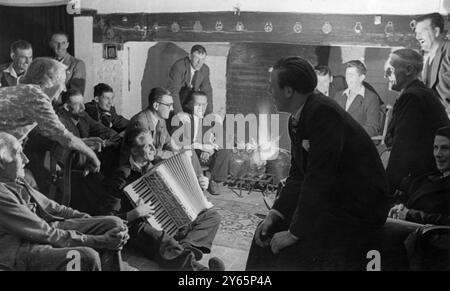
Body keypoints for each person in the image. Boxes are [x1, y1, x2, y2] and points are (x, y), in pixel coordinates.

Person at [246, 56, 389, 271]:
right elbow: (298, 174)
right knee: (265, 229)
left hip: (360, 206)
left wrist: (294, 234)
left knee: (289, 244)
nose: (269, 91)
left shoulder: (323, 113)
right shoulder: (300, 115)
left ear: (288, 91)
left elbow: (319, 177)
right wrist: (276, 212)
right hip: (337, 195)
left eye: (272, 86)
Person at [0, 132, 129, 271]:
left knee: (113, 223)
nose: (26, 159)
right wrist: (100, 241)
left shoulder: (15, 180)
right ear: (1, 164)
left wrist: (91, 220)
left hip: (44, 230)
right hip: (21, 249)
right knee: (86, 256)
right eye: (19, 154)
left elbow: (54, 208)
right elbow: (45, 233)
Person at [100, 127, 224, 271]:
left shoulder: (158, 165)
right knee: (163, 239)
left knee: (212, 216)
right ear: (134, 151)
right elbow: (108, 218)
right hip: (137, 225)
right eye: (147, 146)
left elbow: (183, 188)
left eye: (153, 144)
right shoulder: (120, 176)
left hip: (168, 219)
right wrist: (135, 213)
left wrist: (200, 182)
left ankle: (181, 250)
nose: (154, 149)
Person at [0, 57, 101, 173]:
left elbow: (54, 134)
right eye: (62, 82)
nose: (63, 89)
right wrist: (92, 155)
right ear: (49, 80)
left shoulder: (21, 90)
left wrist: (81, 142)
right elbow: (64, 137)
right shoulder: (36, 96)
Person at [384, 48, 449, 195]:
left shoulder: (412, 97)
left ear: (409, 69)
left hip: (424, 182)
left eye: (390, 70)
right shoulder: (421, 93)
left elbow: (402, 149)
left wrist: (385, 190)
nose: (385, 75)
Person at [388, 125, 450, 226]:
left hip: (428, 236)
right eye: (436, 147)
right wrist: (399, 207)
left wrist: (410, 215)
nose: (438, 154)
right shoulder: (429, 177)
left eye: (445, 148)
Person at [173, 91, 231, 195]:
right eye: (197, 104)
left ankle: (214, 180)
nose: (201, 107)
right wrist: (205, 148)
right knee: (187, 149)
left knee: (226, 147)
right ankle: (194, 181)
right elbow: (183, 142)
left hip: (206, 152)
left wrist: (211, 150)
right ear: (190, 105)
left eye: (204, 104)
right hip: (191, 152)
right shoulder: (183, 119)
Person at [125, 87, 179, 163]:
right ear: (156, 106)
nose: (172, 109)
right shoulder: (140, 122)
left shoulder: (161, 119)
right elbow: (148, 152)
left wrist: (175, 151)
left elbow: (167, 142)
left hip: (152, 162)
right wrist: (171, 154)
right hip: (136, 167)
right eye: (169, 105)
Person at [333, 60, 382, 137]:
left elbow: (372, 128)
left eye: (352, 75)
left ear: (361, 78)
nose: (348, 78)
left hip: (356, 142)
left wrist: (350, 134)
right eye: (347, 74)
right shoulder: (338, 95)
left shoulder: (371, 98)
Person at [415, 13, 450, 114]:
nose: (417, 37)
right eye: (416, 33)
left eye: (421, 32)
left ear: (436, 31)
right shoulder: (428, 60)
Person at [167, 45, 213, 114]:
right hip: (175, 99)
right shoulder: (179, 66)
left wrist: (209, 113)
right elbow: (173, 91)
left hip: (190, 100)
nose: (199, 63)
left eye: (203, 59)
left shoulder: (205, 69)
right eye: (197, 58)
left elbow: (207, 92)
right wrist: (179, 113)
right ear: (190, 56)